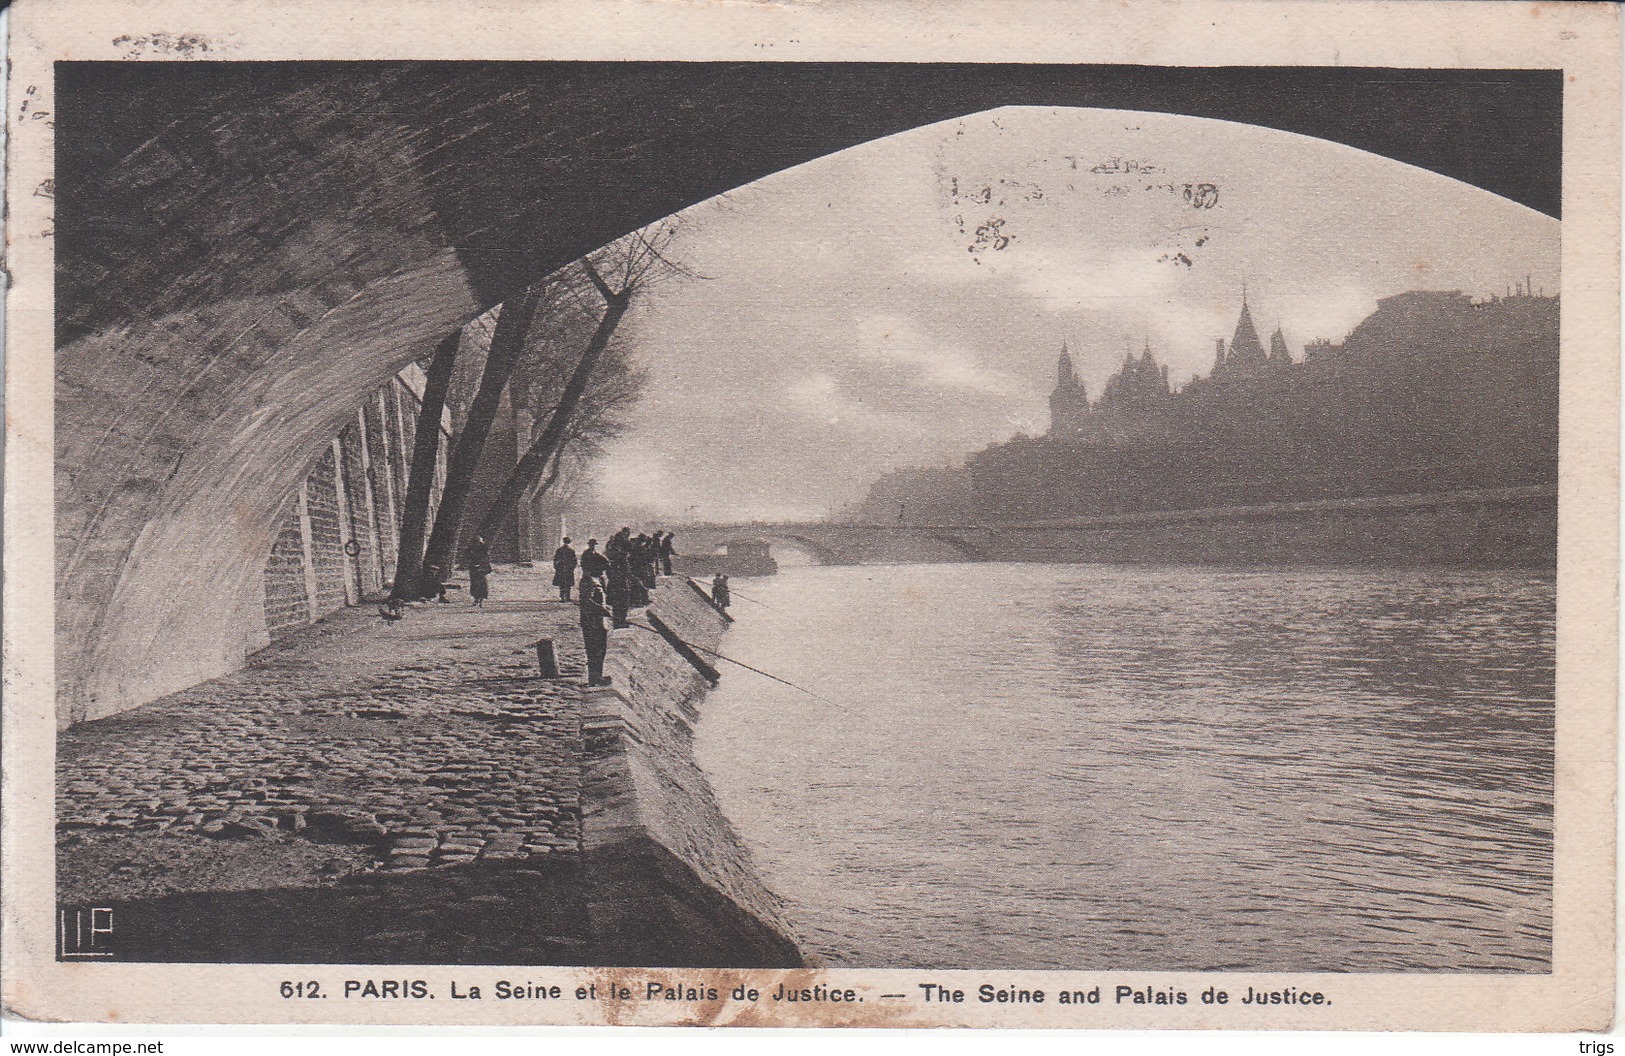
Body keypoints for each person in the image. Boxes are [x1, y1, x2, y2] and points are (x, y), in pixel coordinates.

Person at [578, 572, 613, 687]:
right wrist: (601, 610)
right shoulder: (588, 580)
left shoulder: (597, 579)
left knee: (600, 649)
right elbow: (586, 601)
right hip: (591, 621)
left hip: (598, 621)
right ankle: (594, 677)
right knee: (594, 650)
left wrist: (605, 608)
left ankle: (598, 675)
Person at [606, 548, 632, 629]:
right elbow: (628, 574)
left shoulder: (613, 564)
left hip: (614, 587)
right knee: (623, 605)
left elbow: (609, 574)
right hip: (621, 587)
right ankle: (621, 623)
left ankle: (617, 622)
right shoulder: (624, 564)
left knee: (617, 606)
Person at [466, 536, 492, 607]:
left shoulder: (484, 550)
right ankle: (476, 599)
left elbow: (486, 560)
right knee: (474, 584)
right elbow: (468, 557)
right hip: (474, 569)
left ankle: (481, 600)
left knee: (482, 584)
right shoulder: (471, 550)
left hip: (481, 569)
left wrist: (484, 567)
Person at [552, 537, 578, 602]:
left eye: (567, 542)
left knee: (566, 584)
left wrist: (572, 568)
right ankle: (563, 597)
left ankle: (566, 597)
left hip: (566, 569)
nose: (566, 544)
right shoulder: (561, 550)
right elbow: (555, 559)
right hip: (562, 569)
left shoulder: (569, 551)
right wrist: (557, 567)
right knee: (563, 583)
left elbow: (574, 561)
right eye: (565, 542)